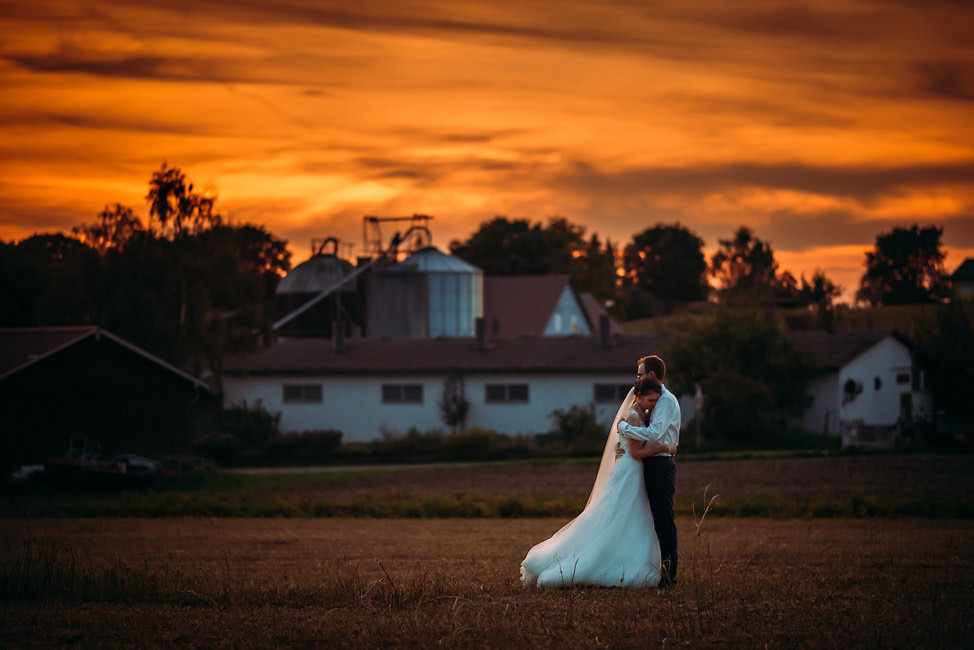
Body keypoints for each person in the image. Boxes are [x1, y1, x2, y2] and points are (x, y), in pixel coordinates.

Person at [520, 376, 676, 588]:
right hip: (630, 471)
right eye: (651, 400)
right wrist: (665, 447)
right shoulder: (632, 417)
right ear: (639, 397)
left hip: (634, 470)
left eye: (656, 400)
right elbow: (636, 452)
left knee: (631, 518)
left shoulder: (640, 413)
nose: (655, 405)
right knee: (618, 517)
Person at [616, 355, 681, 587]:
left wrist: (623, 428)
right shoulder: (652, 402)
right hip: (652, 462)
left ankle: (668, 577)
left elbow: (654, 434)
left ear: (651, 375)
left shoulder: (665, 401)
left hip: (661, 464)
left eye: (640, 374)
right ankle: (657, 572)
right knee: (654, 520)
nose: (638, 379)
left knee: (663, 521)